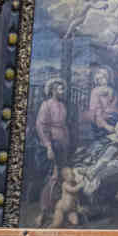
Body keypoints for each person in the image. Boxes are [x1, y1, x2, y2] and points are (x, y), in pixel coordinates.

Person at [35, 78, 71, 224]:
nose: (62, 91)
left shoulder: (62, 105)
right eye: (60, 89)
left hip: (63, 143)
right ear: (53, 90)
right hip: (52, 144)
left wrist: (67, 142)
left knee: (62, 175)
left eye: (63, 88)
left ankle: (59, 208)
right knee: (53, 175)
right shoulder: (46, 105)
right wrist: (48, 146)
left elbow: (64, 125)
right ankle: (45, 210)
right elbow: (41, 127)